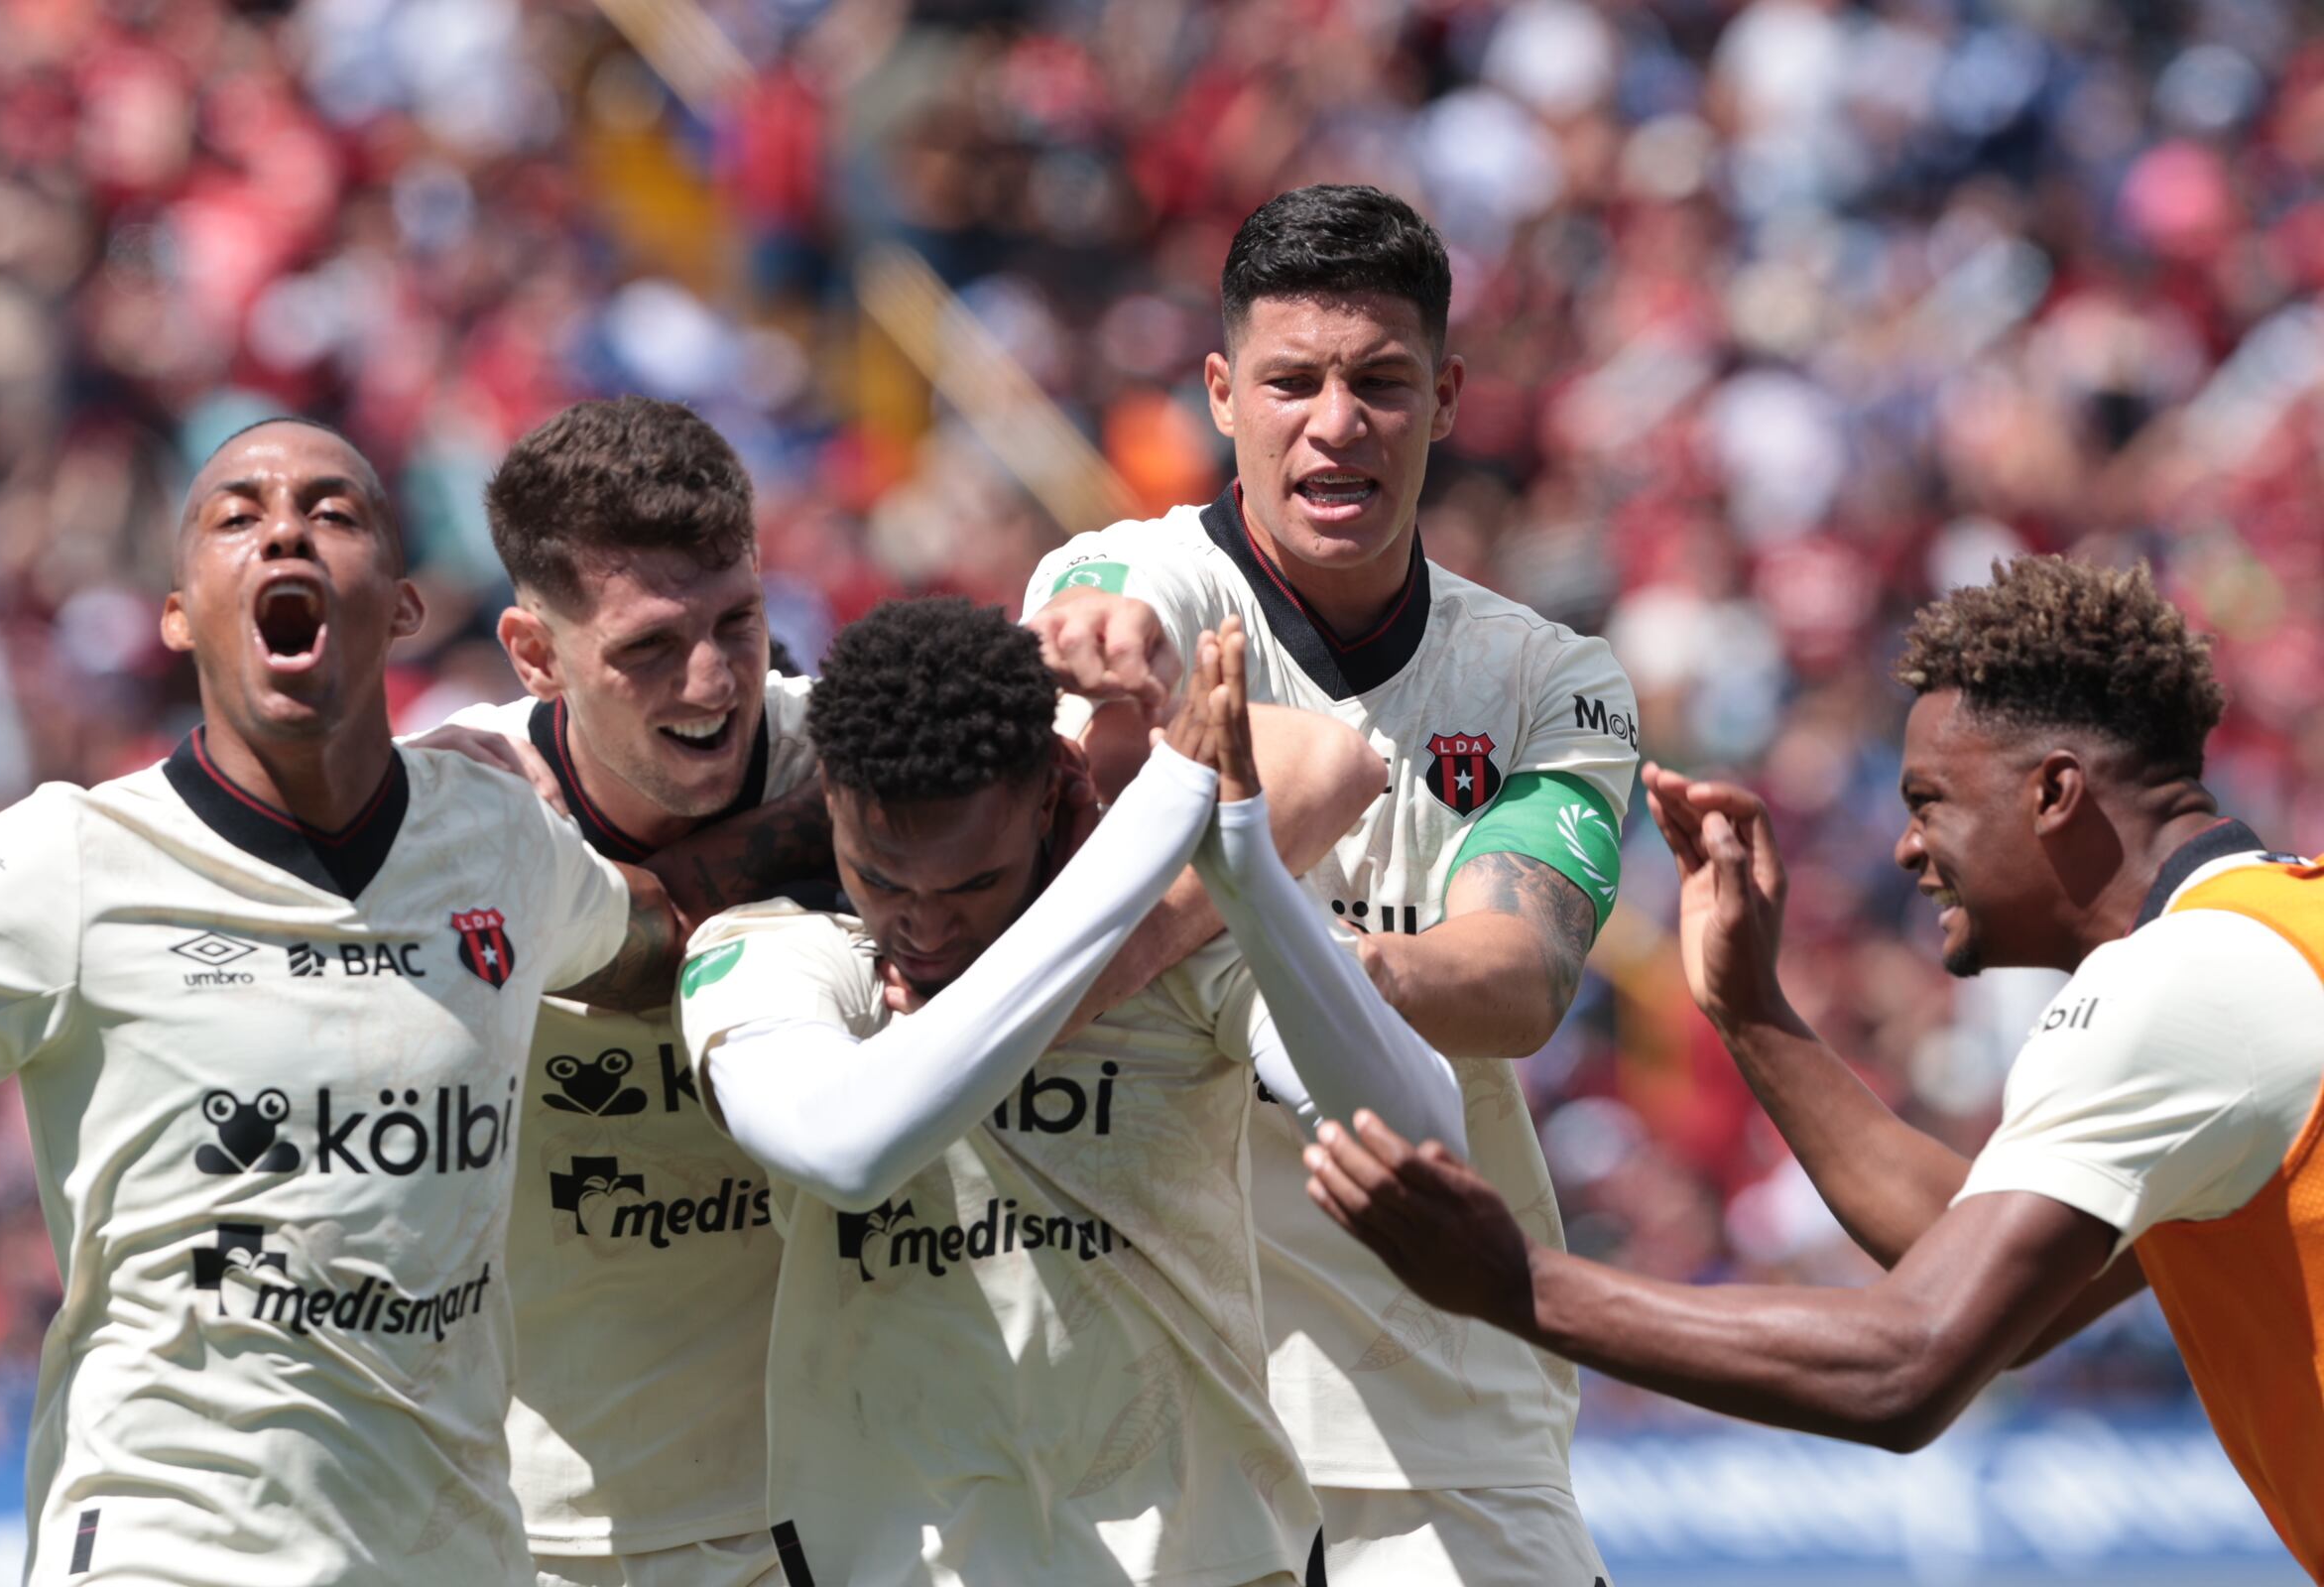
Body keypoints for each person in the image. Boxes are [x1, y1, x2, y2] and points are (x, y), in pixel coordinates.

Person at [1304, 555, 2324, 1580]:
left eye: (1929, 801)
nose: (1907, 849)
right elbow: (1996, 1281)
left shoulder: (2179, 981)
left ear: (2054, 791)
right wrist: (1750, 1011)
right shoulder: (2267, 940)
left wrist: (1517, 1283)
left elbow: (1911, 1358)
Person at [0, 419, 693, 1585]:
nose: (286, 529)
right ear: (180, 613)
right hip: (164, 1549)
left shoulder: (500, 838)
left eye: (333, 513)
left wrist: (856, 850)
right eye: (237, 517)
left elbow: (658, 934)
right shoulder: (61, 863)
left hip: (452, 1555)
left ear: (402, 606)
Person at [1022, 183, 1634, 1581]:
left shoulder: (1549, 680)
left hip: (1440, 1409)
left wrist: (1293, 972)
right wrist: (1110, 643)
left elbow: (1520, 977)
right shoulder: (1136, 572)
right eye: (1292, 381)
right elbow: (1111, 611)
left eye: (1382, 382)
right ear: (1222, 394)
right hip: (1154, 1406)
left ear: (1448, 398)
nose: (1337, 422)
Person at [675, 600, 1462, 1587]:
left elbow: (1417, 1139)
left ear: (1052, 794)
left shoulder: (1177, 949)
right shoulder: (770, 953)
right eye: (882, 880)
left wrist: (1250, 876)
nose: (923, 928)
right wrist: (1159, 823)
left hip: (1211, 1560)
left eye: (973, 884)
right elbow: (846, 1150)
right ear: (828, 797)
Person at [427, 398, 825, 1587]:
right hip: (532, 1530)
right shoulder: (451, 818)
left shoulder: (861, 763)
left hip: (833, 1510)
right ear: (534, 653)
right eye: (648, 647)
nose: (711, 680)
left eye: (738, 621)